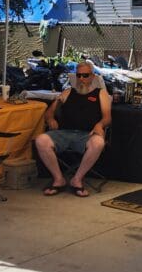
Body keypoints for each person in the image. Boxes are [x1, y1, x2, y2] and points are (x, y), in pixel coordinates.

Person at [35, 61, 111, 197]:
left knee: (98, 143)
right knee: (41, 140)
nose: (81, 79)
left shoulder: (101, 93)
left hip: (87, 134)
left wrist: (99, 125)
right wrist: (50, 118)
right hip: (64, 133)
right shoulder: (68, 92)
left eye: (85, 75)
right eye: (79, 75)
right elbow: (49, 112)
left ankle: (77, 179)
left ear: (93, 77)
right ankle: (58, 179)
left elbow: (107, 118)